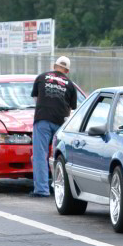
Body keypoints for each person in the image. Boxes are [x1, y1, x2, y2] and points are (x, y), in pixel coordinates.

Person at [29, 56, 77, 197]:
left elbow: (36, 99)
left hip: (42, 119)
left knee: (40, 155)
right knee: (60, 157)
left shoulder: (41, 77)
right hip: (61, 123)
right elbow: (72, 108)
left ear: (54, 66)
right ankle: (60, 190)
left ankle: (42, 190)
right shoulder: (70, 84)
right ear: (67, 71)